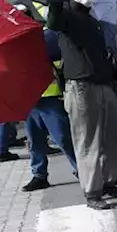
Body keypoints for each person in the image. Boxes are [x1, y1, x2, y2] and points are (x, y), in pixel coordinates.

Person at [47, 0, 117, 209]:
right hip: (81, 86)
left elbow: (102, 55)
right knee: (88, 140)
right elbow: (53, 22)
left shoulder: (92, 19)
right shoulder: (66, 16)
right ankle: (92, 191)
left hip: (103, 83)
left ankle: (108, 181)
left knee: (114, 137)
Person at [21, 11, 79, 192]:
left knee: (63, 136)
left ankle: (81, 169)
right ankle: (39, 174)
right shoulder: (13, 43)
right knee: (34, 139)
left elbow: (58, 59)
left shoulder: (46, 37)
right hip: (29, 98)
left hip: (49, 96)